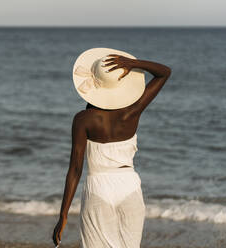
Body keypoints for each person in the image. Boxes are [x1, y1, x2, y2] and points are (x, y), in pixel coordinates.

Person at [52, 48, 171, 248]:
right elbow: (164, 72)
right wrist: (134, 64)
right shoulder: (132, 111)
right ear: (122, 82)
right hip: (129, 186)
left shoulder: (83, 119)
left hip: (98, 187)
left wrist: (63, 215)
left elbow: (75, 169)